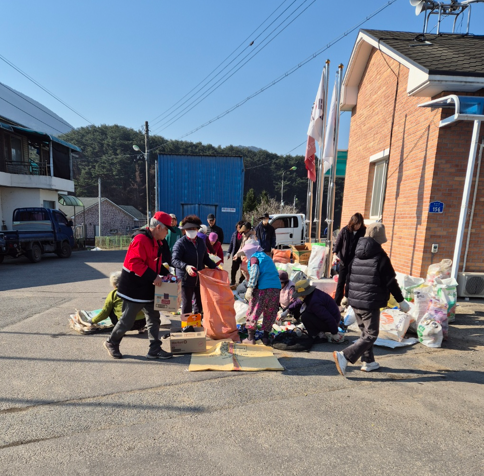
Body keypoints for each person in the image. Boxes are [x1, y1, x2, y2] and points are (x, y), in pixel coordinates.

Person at [333, 223, 410, 376]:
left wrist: (347, 296)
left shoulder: (356, 253)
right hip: (369, 302)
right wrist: (401, 301)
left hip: (355, 301)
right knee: (371, 335)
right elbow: (390, 281)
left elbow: (349, 276)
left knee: (365, 333)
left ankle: (368, 362)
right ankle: (345, 356)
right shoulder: (380, 256)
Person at [103, 212, 176, 360]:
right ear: (158, 227)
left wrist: (167, 274)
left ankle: (154, 349)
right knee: (127, 320)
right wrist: (154, 276)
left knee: (154, 318)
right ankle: (112, 342)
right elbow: (135, 263)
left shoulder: (157, 242)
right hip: (134, 287)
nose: (167, 233)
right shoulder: (141, 239)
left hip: (147, 286)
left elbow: (155, 263)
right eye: (166, 229)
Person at [171, 215, 217, 315]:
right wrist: (186, 266)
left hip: (199, 277)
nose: (192, 231)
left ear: (197, 229)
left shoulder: (201, 242)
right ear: (185, 230)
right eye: (189, 229)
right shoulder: (180, 243)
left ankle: (197, 319)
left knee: (199, 301)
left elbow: (205, 258)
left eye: (194, 229)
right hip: (185, 278)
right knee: (187, 302)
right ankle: (186, 322)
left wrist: (215, 267)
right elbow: (174, 260)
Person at [78, 271, 146, 332]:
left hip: (125, 324)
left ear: (114, 284)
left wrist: (92, 321)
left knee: (110, 309)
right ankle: (141, 328)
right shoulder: (137, 290)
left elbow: (105, 313)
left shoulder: (114, 293)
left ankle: (120, 331)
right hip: (142, 322)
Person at [241, 241, 281, 345]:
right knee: (270, 312)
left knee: (254, 310)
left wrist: (250, 287)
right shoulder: (266, 257)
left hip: (262, 289)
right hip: (275, 288)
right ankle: (265, 338)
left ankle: (250, 338)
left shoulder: (254, 258)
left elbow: (254, 272)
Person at [332, 213, 366, 307]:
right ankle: (336, 303)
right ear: (352, 223)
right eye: (356, 224)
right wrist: (335, 255)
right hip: (344, 260)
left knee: (350, 282)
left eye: (359, 224)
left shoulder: (363, 232)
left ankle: (348, 302)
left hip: (355, 261)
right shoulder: (345, 230)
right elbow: (338, 244)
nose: (357, 226)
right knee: (341, 282)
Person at [227, 220, 245, 285]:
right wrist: (229, 252)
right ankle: (233, 281)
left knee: (243, 270)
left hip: (243, 255)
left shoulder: (245, 235)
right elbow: (231, 244)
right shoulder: (234, 234)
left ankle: (241, 282)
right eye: (238, 227)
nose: (239, 229)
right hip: (235, 255)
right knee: (233, 269)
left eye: (240, 227)